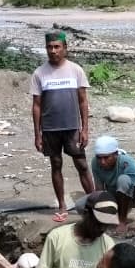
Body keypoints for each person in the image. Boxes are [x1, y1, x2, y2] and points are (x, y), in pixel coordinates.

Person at [31, 30, 95, 222]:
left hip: (72, 127)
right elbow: (36, 105)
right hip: (50, 128)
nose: (53, 51)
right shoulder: (39, 73)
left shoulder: (76, 70)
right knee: (56, 164)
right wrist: (37, 134)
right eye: (49, 47)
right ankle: (61, 205)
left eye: (57, 47)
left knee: (82, 164)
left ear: (65, 48)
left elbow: (83, 101)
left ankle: (94, 203)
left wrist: (85, 129)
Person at [88, 135, 135, 236]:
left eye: (106, 157)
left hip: (132, 197)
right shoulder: (95, 163)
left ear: (115, 154)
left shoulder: (126, 162)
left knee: (123, 180)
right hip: (113, 196)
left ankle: (122, 220)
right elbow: (99, 190)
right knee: (81, 205)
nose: (102, 162)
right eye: (99, 158)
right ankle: (115, 214)